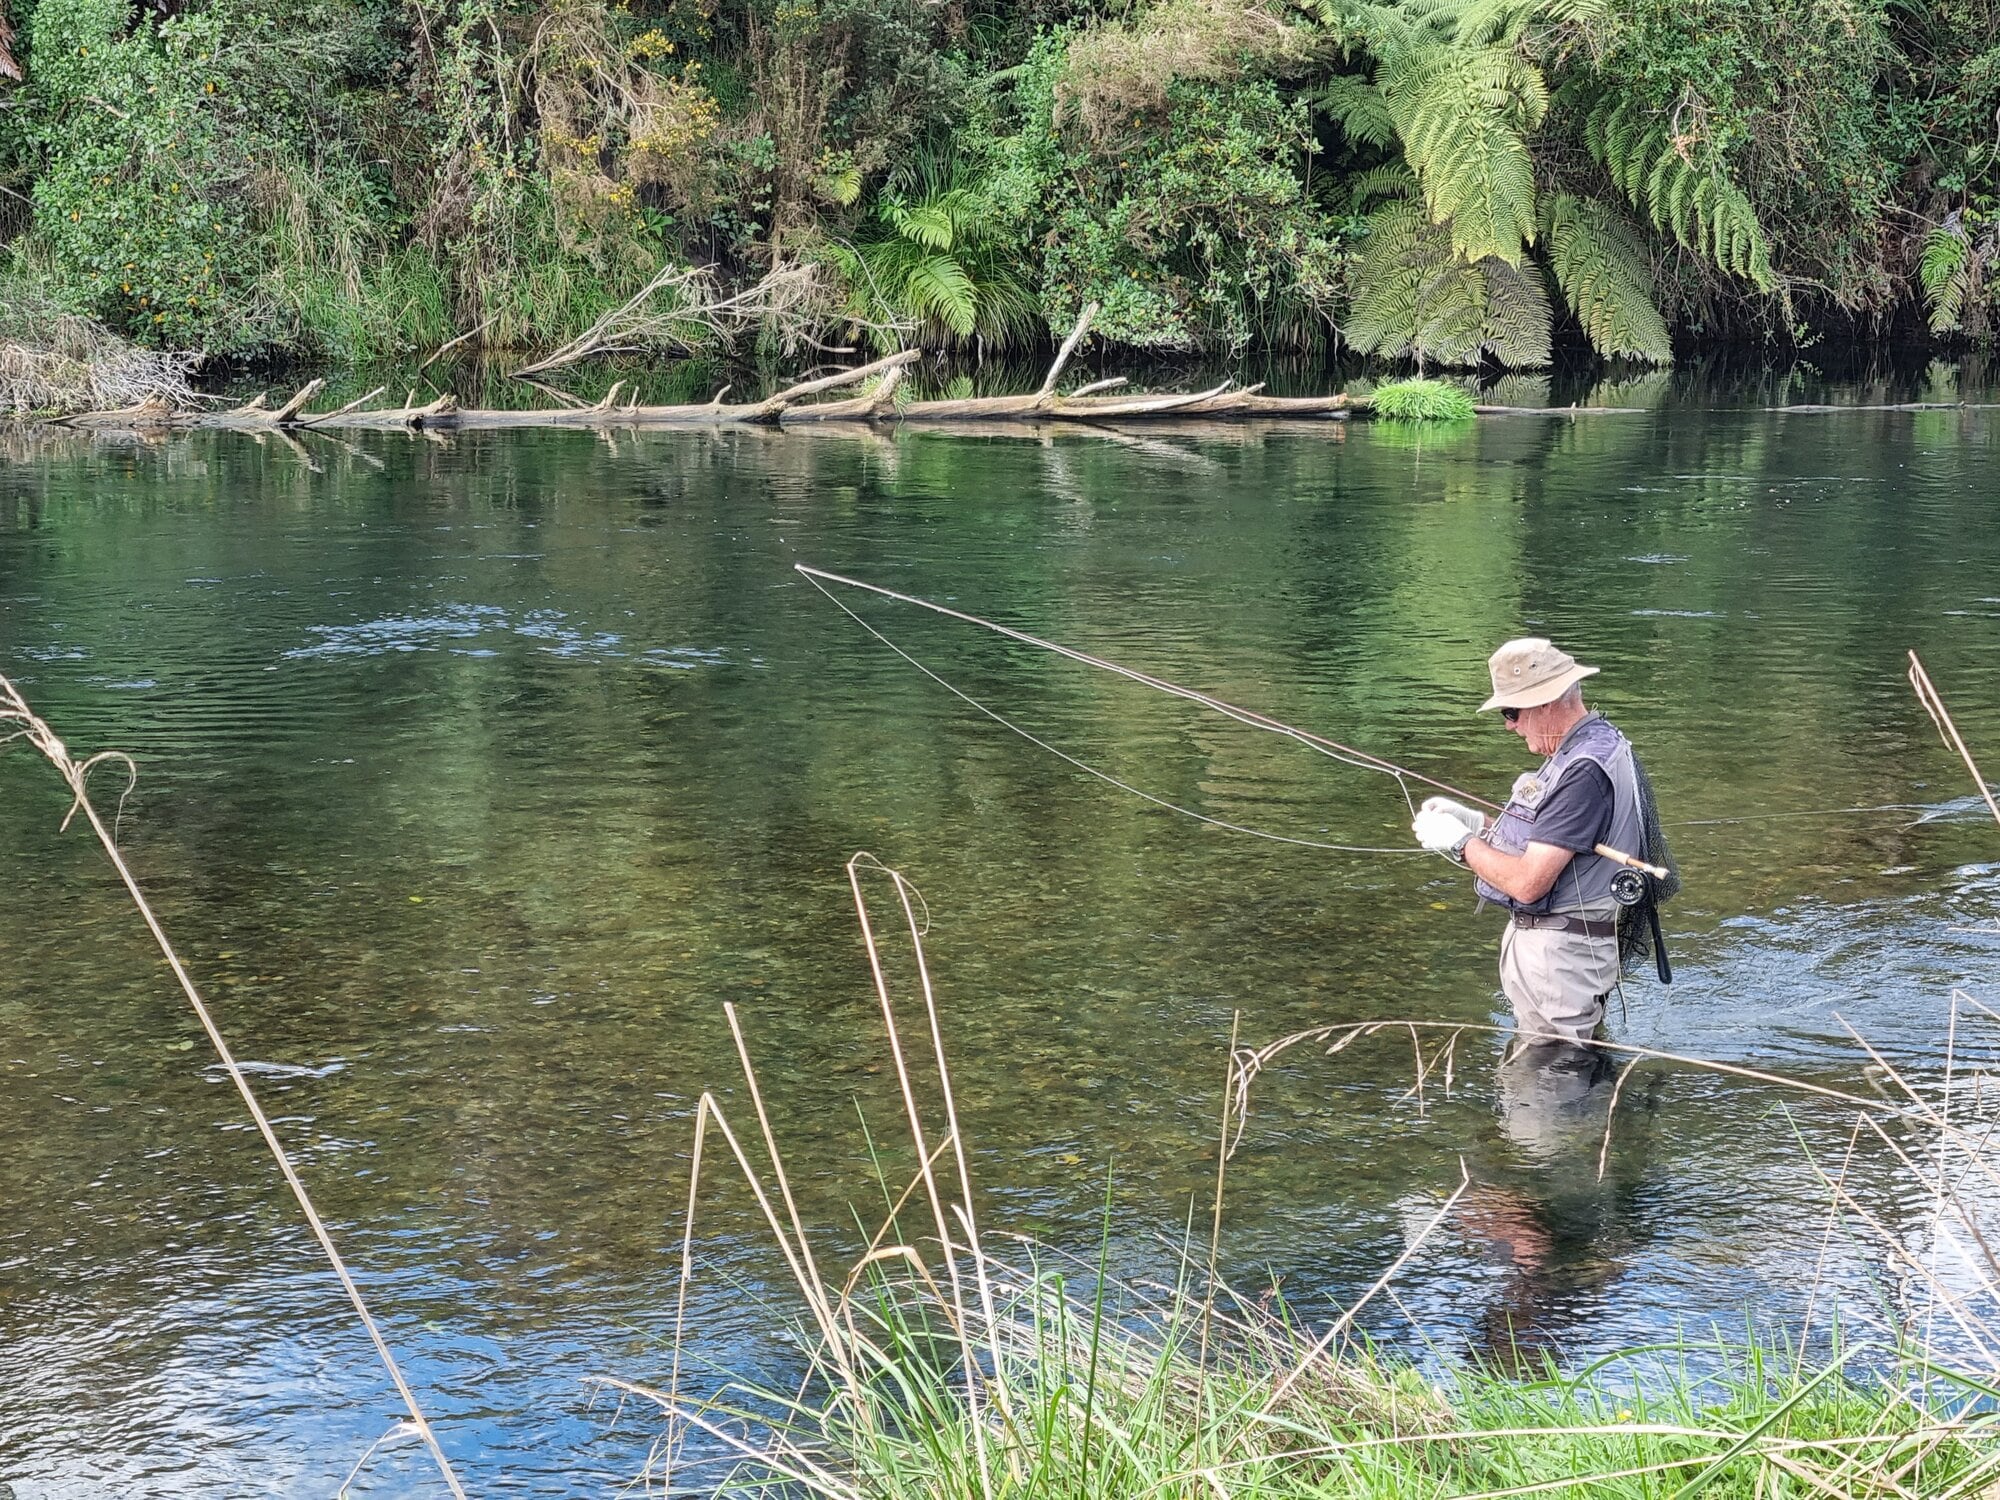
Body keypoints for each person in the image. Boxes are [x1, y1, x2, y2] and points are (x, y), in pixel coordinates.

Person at [1411, 638, 1650, 1046]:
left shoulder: (1582, 772)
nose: (1509, 724)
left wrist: (1461, 843)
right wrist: (1479, 825)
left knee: (1546, 1094)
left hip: (1561, 964)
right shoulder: (1596, 744)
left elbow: (1528, 882)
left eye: (1511, 712)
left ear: (1545, 702)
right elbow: (1552, 841)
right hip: (1570, 957)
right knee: (1566, 1083)